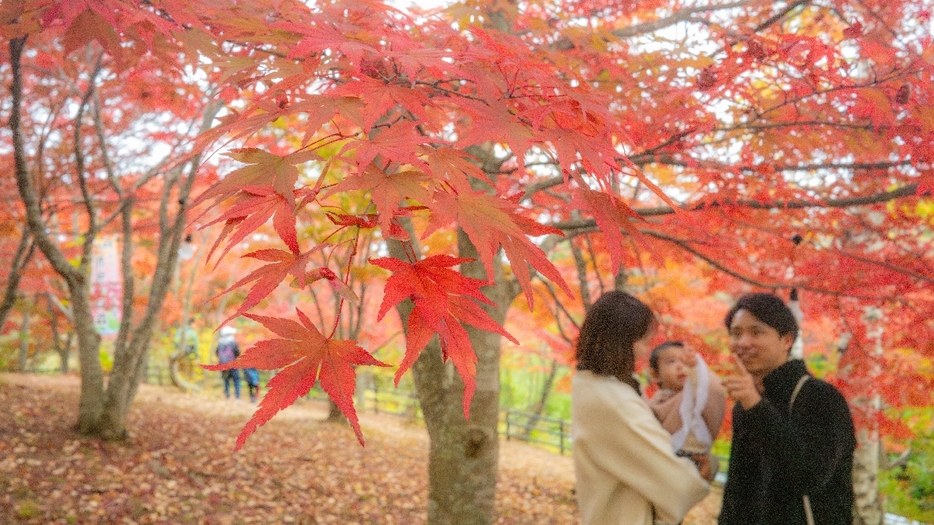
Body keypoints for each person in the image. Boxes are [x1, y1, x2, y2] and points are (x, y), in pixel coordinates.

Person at [572, 291, 710, 525]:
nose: (648, 347)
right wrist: (700, 473)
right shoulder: (615, 401)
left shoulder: (588, 384)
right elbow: (673, 480)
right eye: (645, 339)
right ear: (622, 338)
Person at [719, 293, 856, 525]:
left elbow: (809, 476)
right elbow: (738, 491)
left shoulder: (820, 397)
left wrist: (757, 408)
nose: (743, 343)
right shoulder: (748, 404)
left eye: (756, 332)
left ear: (786, 340)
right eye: (736, 333)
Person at [647, 341, 727, 477]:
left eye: (685, 362)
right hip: (659, 459)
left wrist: (696, 366)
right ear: (655, 375)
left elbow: (707, 387)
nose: (680, 366)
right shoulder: (655, 401)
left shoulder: (694, 397)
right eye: (671, 362)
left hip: (690, 456)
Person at [216, 326, 241, 400]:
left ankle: (227, 396)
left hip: (223, 365)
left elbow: (217, 353)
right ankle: (237, 397)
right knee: (236, 380)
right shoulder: (233, 342)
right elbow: (237, 352)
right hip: (233, 364)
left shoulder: (220, 343)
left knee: (226, 380)